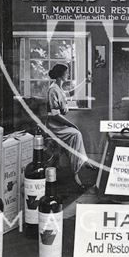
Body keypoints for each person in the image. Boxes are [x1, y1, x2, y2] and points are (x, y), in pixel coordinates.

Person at [46, 62, 93, 190]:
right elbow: (54, 115)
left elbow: (71, 93)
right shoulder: (53, 90)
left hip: (60, 126)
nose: (68, 75)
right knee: (76, 133)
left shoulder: (59, 88)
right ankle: (76, 173)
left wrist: (85, 82)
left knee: (76, 134)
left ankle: (81, 162)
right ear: (61, 75)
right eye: (66, 73)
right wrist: (71, 124)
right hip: (54, 126)